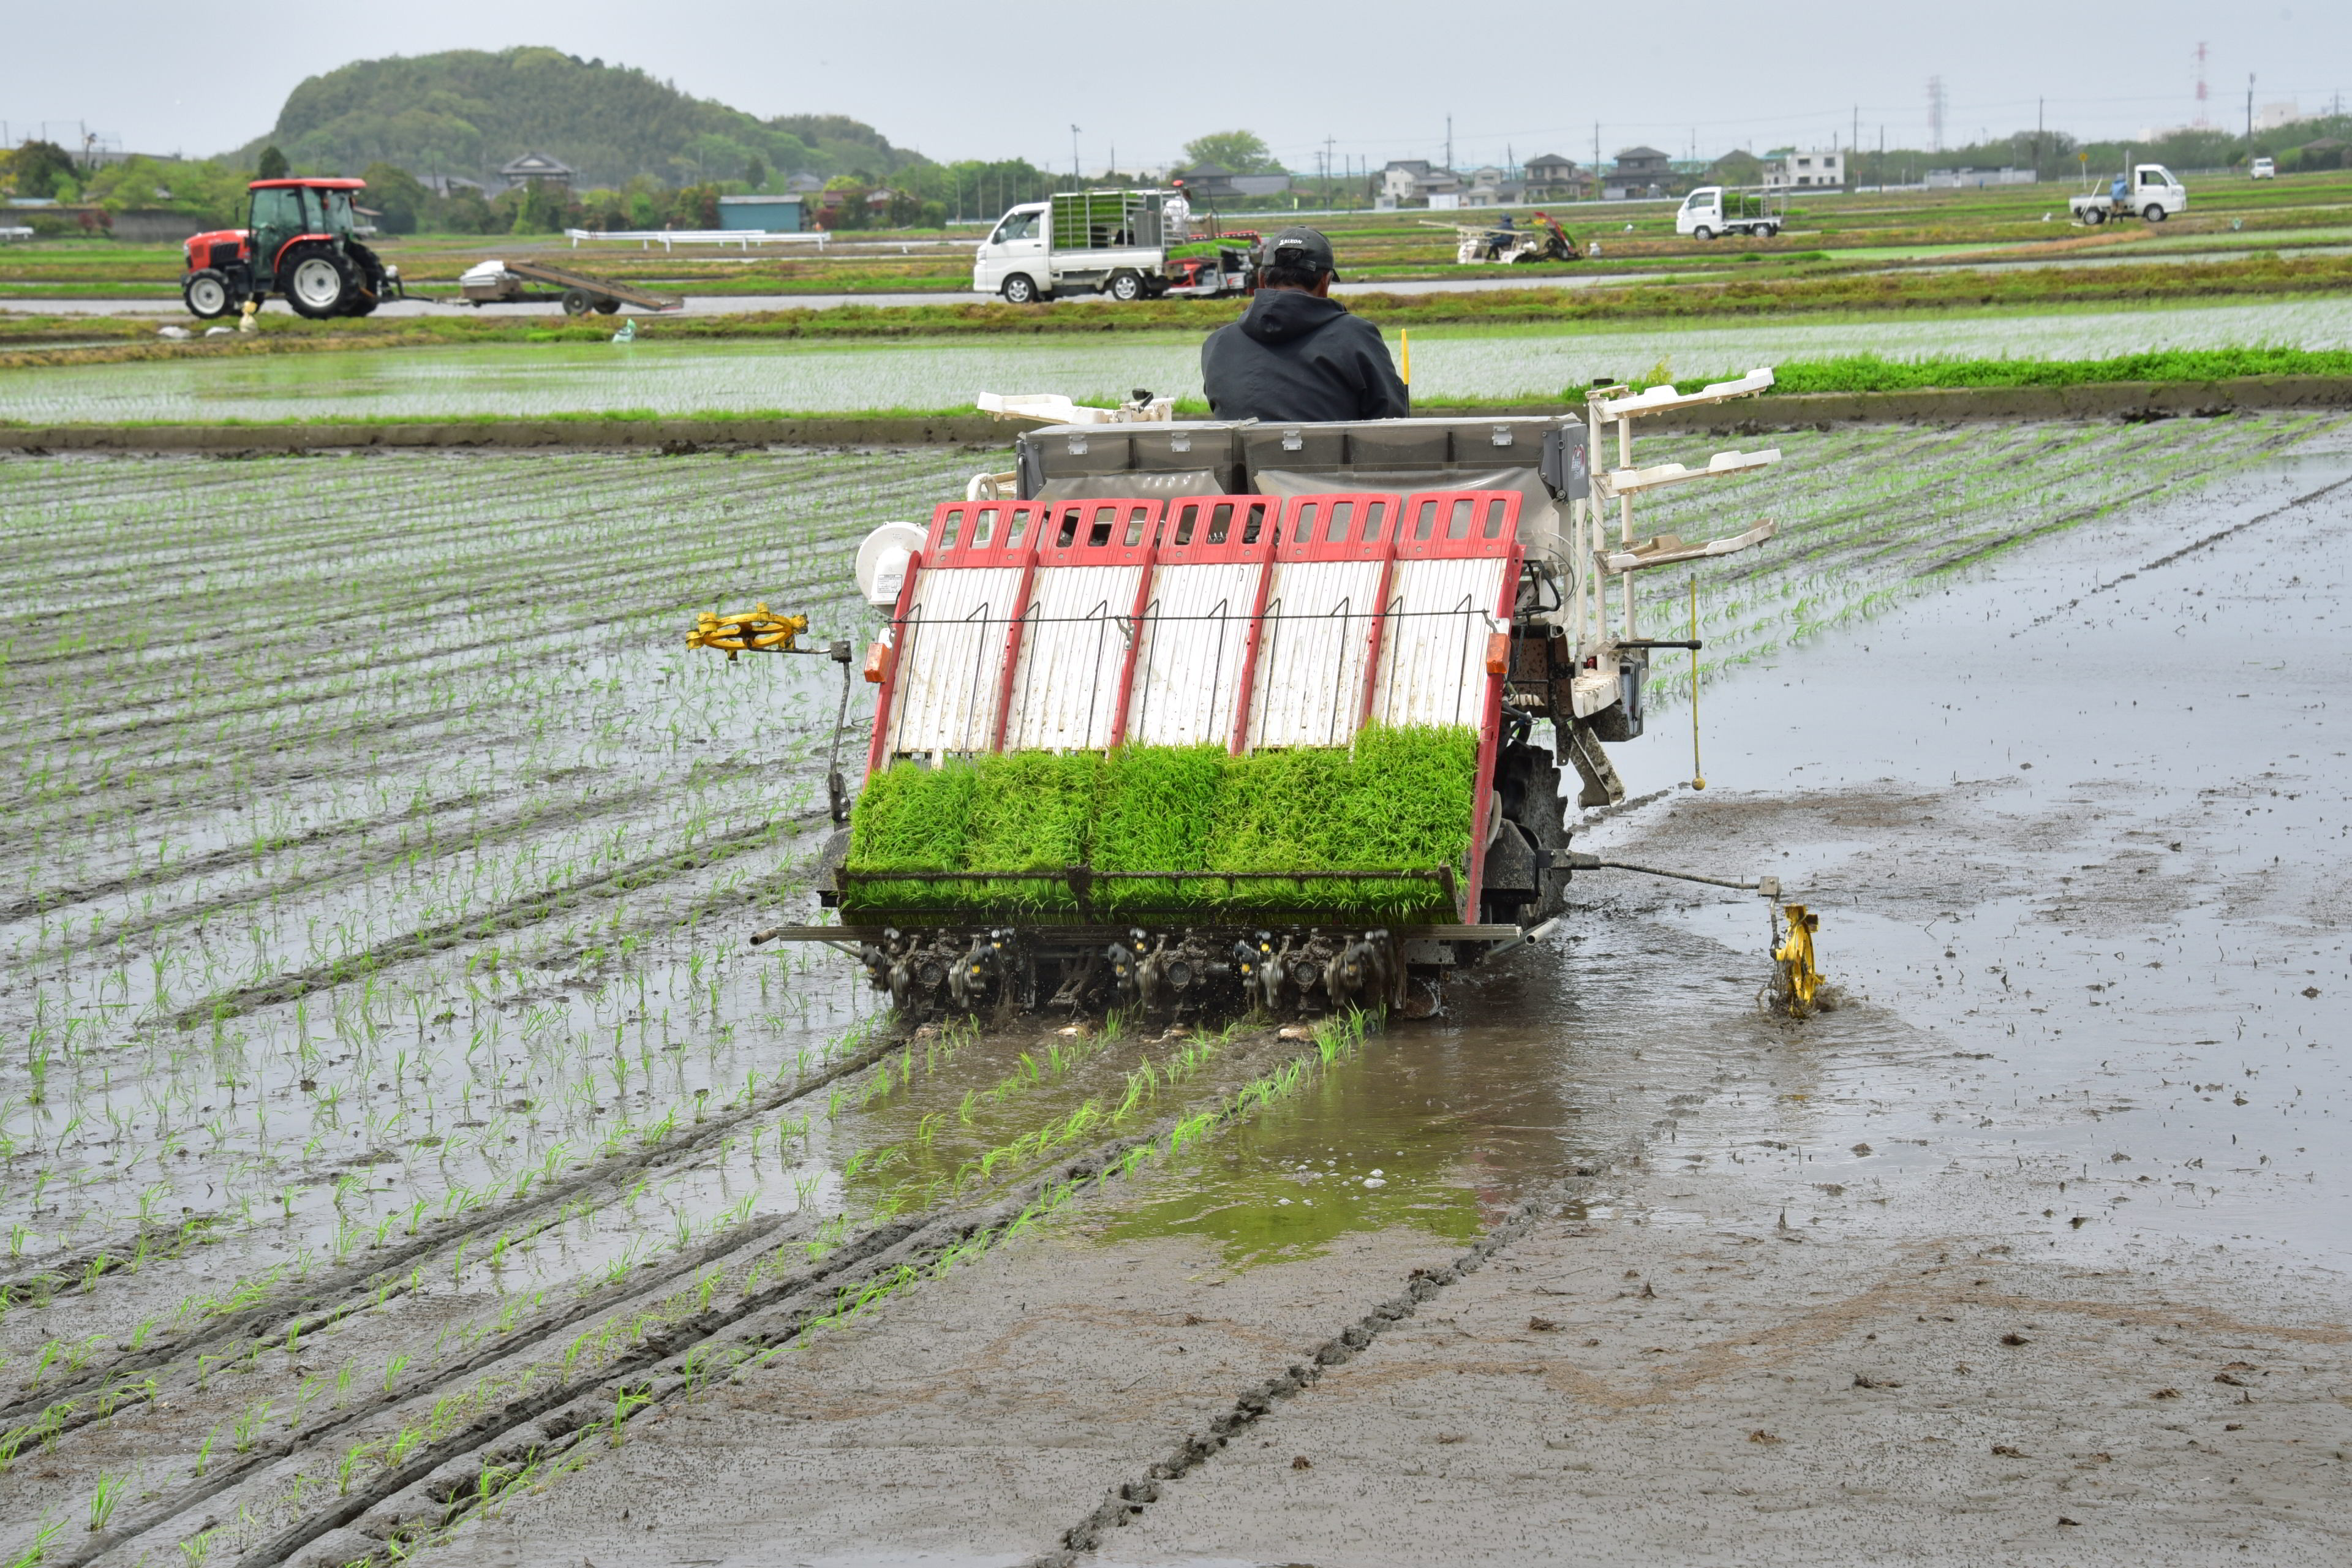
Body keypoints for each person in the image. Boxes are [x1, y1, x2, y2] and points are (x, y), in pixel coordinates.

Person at [1200, 227, 1409, 422]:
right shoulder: (1356, 336)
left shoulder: (1217, 344)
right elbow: (1392, 424)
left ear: (1262, 280)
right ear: (1324, 283)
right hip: (1328, 461)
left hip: (1241, 462)